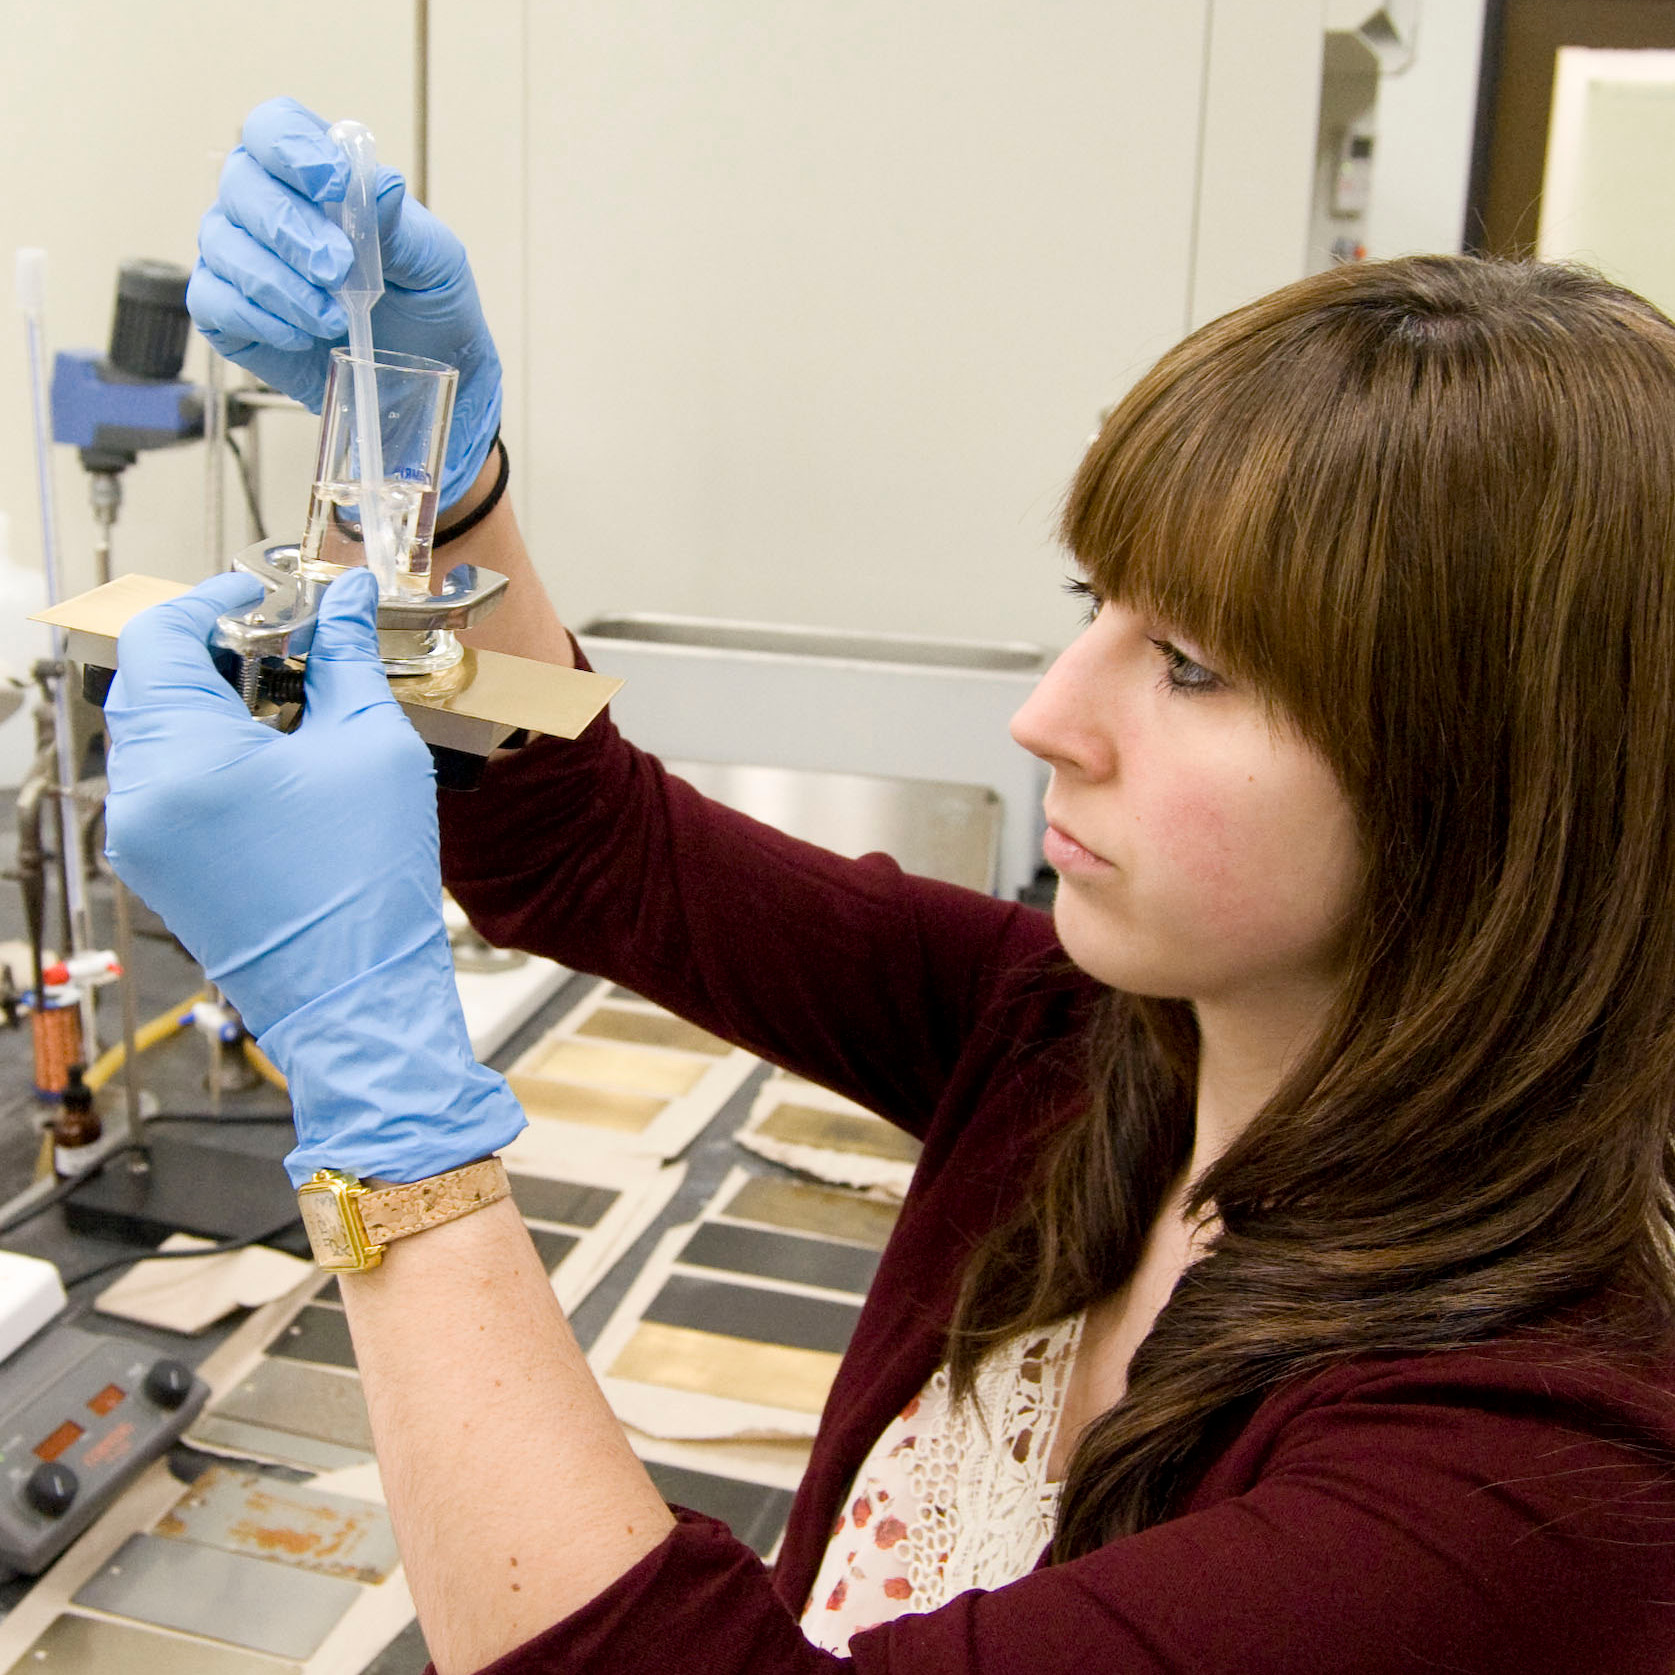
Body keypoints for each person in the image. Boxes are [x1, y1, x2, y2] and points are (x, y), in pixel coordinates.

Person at [103, 95, 1675, 1673]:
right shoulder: (1087, 1042)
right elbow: (594, 849)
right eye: (1094, 604)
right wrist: (439, 492)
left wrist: (377, 1094)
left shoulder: (1526, 1491)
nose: (1047, 716)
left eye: (1191, 665)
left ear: (1494, 788)